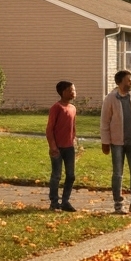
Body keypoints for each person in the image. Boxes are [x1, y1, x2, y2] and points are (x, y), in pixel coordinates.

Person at [99, 70, 131, 215]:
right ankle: (118, 205)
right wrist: (105, 142)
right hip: (117, 143)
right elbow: (104, 121)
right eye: (128, 80)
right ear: (120, 82)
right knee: (118, 174)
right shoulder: (110, 99)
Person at [46, 80, 81, 212]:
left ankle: (65, 201)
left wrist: (75, 141)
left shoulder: (73, 108)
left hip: (69, 147)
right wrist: (53, 146)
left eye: (74, 90)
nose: (74, 92)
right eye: (71, 90)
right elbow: (49, 129)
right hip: (58, 148)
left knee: (71, 175)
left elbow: (73, 127)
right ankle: (54, 202)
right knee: (56, 175)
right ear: (64, 92)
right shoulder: (57, 108)